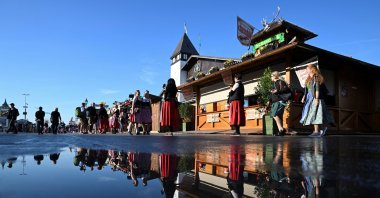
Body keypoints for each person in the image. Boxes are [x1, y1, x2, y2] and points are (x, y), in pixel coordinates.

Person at [300, 64, 334, 137]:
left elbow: (317, 89)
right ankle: (320, 129)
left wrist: (317, 99)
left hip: (315, 97)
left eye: (307, 69)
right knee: (315, 114)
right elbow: (307, 89)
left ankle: (316, 131)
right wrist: (304, 97)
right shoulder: (309, 78)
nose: (306, 70)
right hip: (310, 98)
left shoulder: (316, 77)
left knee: (315, 114)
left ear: (312, 69)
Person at [268, 71, 290, 136]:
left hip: (279, 101)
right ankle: (280, 131)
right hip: (275, 101)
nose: (271, 77)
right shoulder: (274, 84)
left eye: (271, 76)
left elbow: (286, 90)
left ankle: (281, 129)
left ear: (275, 76)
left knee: (274, 114)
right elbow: (271, 94)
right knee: (279, 116)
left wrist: (277, 91)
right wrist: (269, 101)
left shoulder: (281, 82)